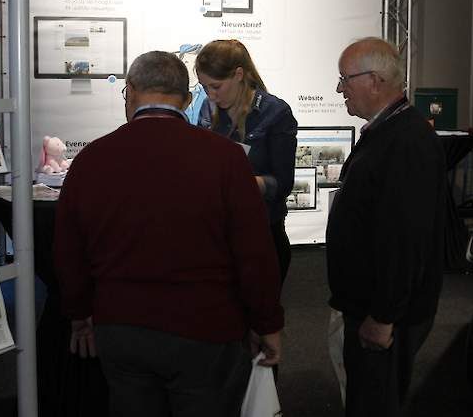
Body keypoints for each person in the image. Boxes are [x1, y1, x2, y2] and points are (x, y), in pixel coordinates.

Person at [54, 51, 284, 417]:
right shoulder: (225, 159)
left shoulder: (92, 159)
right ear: (188, 99)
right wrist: (267, 323)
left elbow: (68, 250)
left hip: (121, 328)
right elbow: (254, 252)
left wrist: (80, 315)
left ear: (130, 92)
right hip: (207, 330)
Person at [326, 37, 446, 417]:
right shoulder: (388, 132)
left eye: (345, 79)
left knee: (375, 402)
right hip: (371, 305)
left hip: (383, 314)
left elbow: (406, 240)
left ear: (375, 81)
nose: (339, 89)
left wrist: (383, 317)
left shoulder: (406, 140)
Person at [195, 39, 298, 283]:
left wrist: (241, 183)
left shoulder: (276, 113)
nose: (210, 95)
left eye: (216, 86)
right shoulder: (208, 111)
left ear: (239, 74)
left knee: (259, 315)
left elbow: (282, 183)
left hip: (261, 234)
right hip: (217, 234)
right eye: (204, 87)